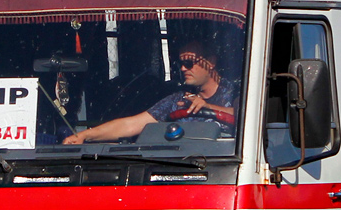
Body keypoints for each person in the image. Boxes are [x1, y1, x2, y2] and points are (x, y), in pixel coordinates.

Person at [63, 40, 237, 144]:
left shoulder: (236, 92)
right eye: (180, 64)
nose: (183, 69)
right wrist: (85, 135)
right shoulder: (179, 99)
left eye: (190, 63)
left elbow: (249, 119)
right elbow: (130, 125)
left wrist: (209, 107)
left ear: (211, 62)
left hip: (220, 165)